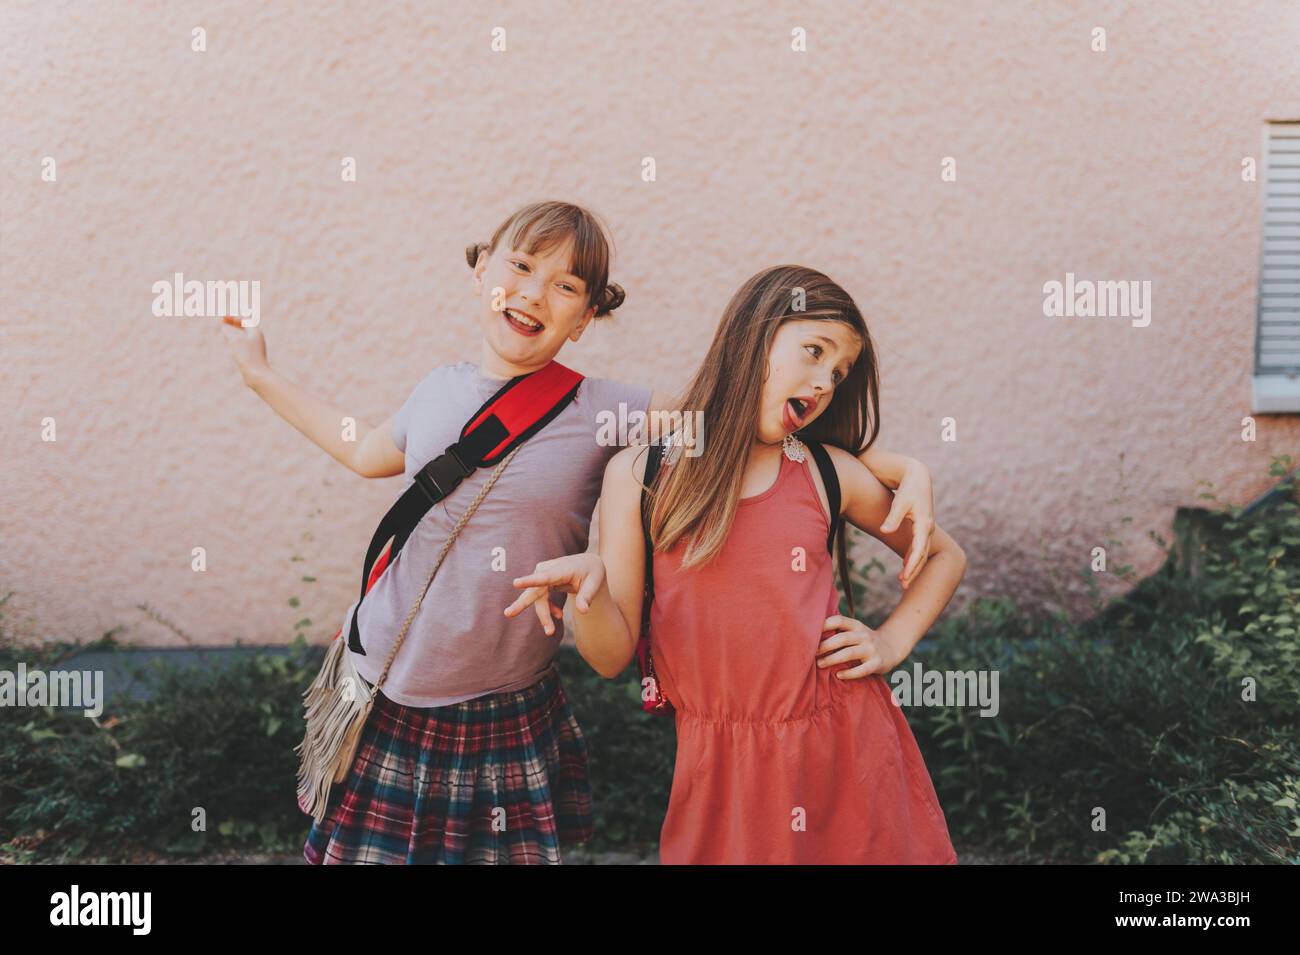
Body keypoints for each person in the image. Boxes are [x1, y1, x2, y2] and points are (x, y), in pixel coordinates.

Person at [224, 203, 939, 863]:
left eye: (567, 286)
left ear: (587, 318)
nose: (536, 292)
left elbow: (731, 410)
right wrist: (262, 378)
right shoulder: (434, 389)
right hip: (385, 676)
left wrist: (887, 460)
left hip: (503, 698)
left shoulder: (602, 409)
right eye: (522, 267)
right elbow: (359, 448)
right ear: (482, 272)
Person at [508, 264, 964, 864]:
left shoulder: (825, 472)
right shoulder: (642, 475)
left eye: (839, 371)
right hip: (718, 771)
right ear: (754, 334)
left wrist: (892, 641)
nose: (825, 381)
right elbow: (610, 656)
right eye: (814, 351)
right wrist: (587, 598)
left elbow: (942, 554)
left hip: (846, 751)